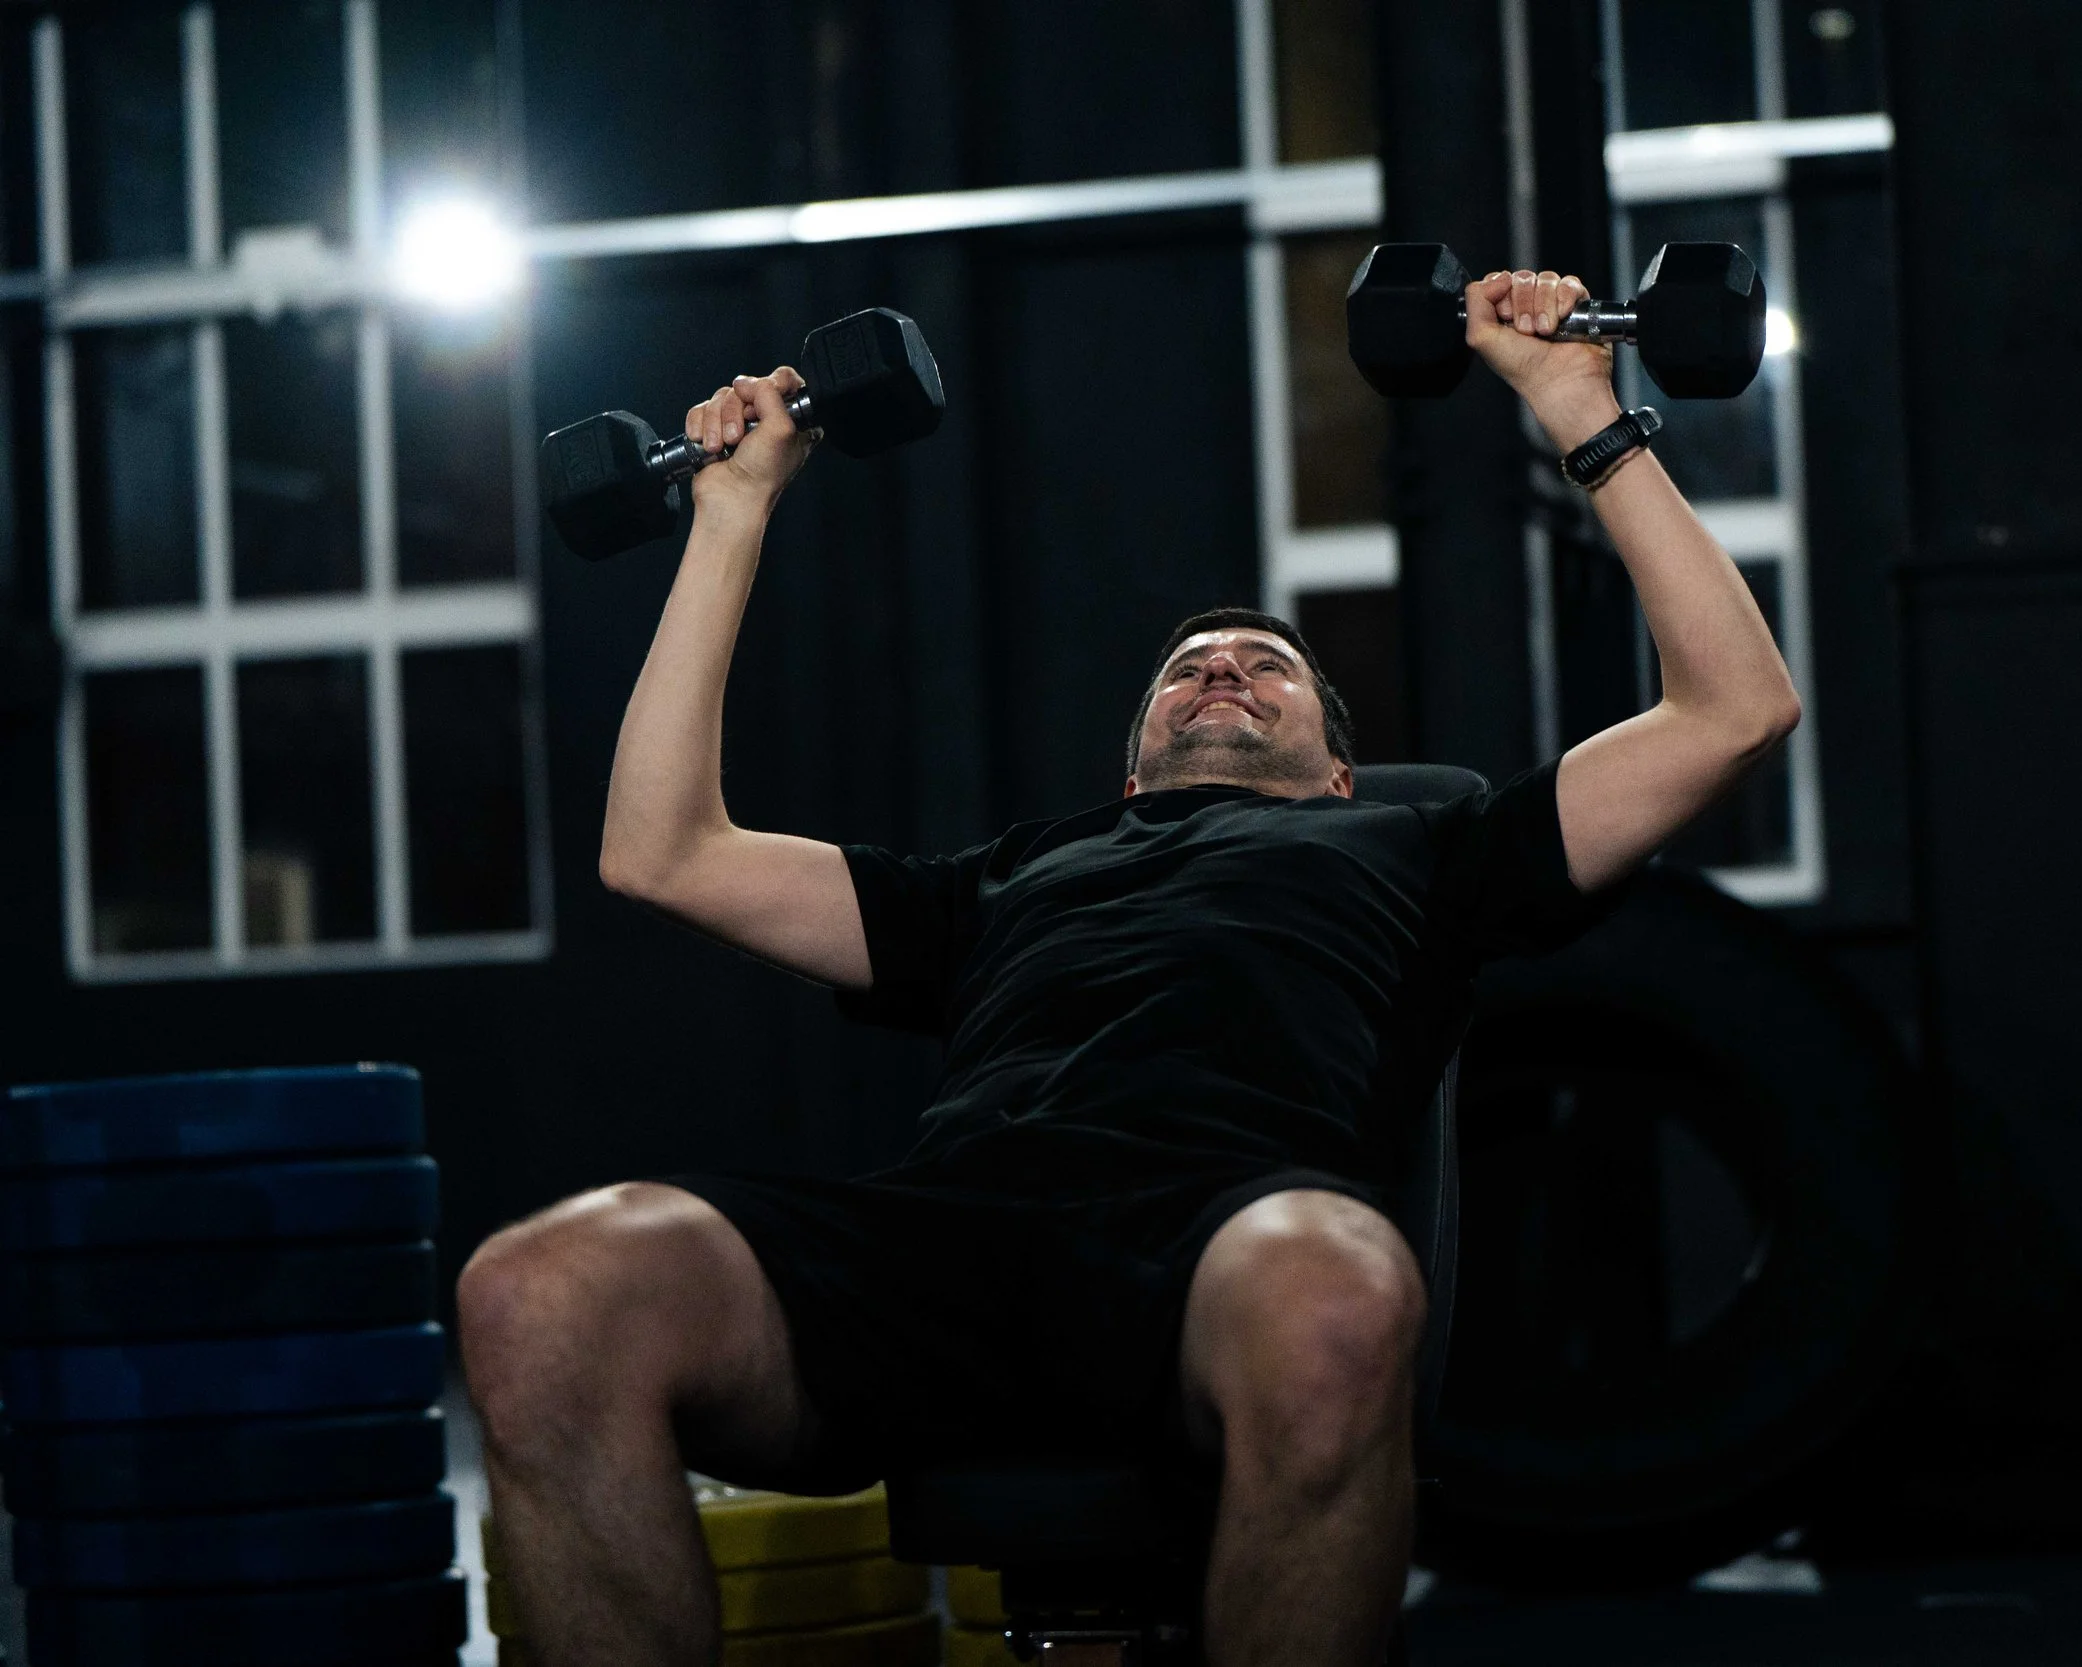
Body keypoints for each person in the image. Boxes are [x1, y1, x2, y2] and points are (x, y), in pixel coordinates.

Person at [459, 268, 1799, 1667]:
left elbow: (1734, 709)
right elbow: (660, 850)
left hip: (1216, 1251)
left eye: (1265, 667)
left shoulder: (1430, 843)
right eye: (1190, 667)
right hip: (948, 1246)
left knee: (1340, 1285)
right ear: (1131, 765)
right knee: (538, 1292)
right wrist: (729, 516)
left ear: (1338, 772)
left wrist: (1584, 409)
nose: (1221, 668)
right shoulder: (1006, 876)